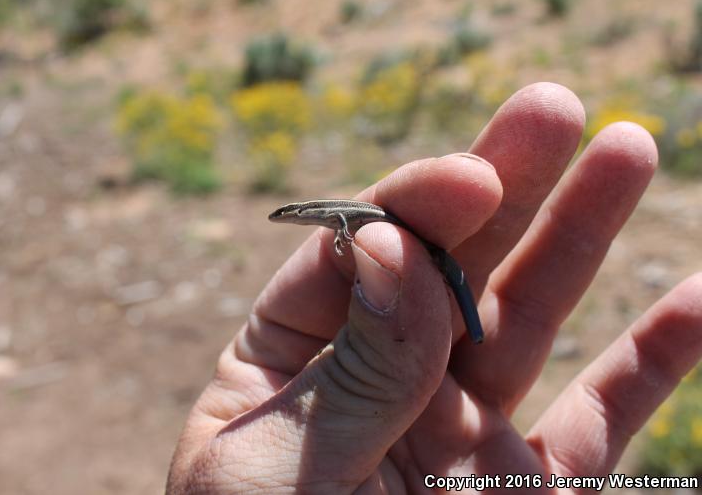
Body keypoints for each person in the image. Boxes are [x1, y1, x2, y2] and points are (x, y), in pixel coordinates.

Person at [166, 83, 702, 493]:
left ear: (304, 213)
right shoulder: (335, 221)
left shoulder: (335, 216)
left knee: (441, 256)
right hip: (418, 253)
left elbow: (355, 228)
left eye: (288, 215)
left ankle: (467, 319)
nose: (286, 218)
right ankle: (467, 319)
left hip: (427, 252)